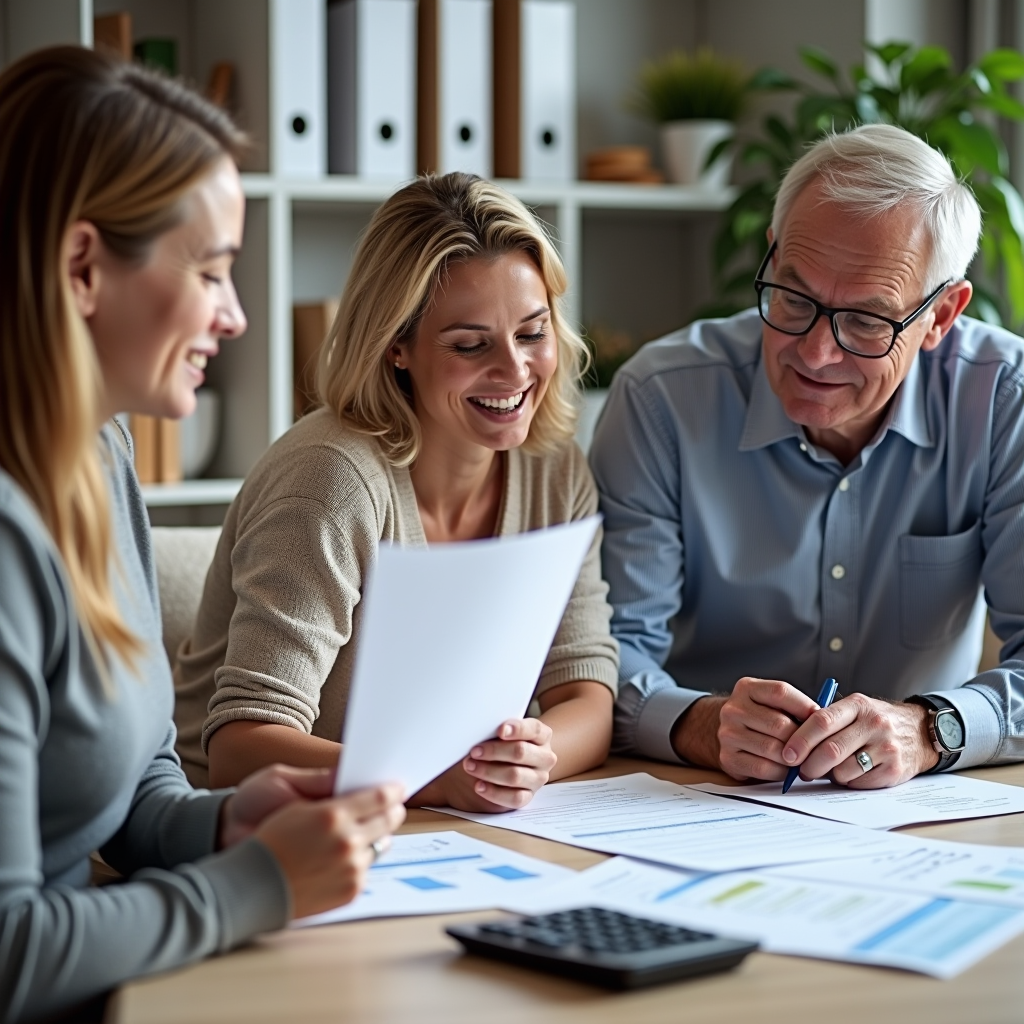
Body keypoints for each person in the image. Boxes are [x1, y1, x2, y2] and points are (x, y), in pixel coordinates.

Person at [0, 48, 406, 1023]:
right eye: (215, 272)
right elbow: (9, 952)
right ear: (84, 267)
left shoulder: (97, 456)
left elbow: (126, 782)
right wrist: (257, 885)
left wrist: (223, 821)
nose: (234, 315)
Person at [592, 123, 1024, 790]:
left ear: (941, 316)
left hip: (918, 808)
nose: (816, 353)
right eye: (795, 298)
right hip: (697, 800)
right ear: (771, 255)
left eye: (867, 321)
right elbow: (601, 663)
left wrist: (930, 729)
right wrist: (701, 724)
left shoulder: (1003, 400)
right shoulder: (663, 399)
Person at [173, 172, 619, 808]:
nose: (516, 371)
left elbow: (588, 693)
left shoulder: (553, 467)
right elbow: (240, 750)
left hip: (428, 826)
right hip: (241, 831)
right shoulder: (331, 479)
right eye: (471, 344)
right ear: (396, 347)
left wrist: (527, 759)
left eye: (533, 332)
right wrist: (434, 778)